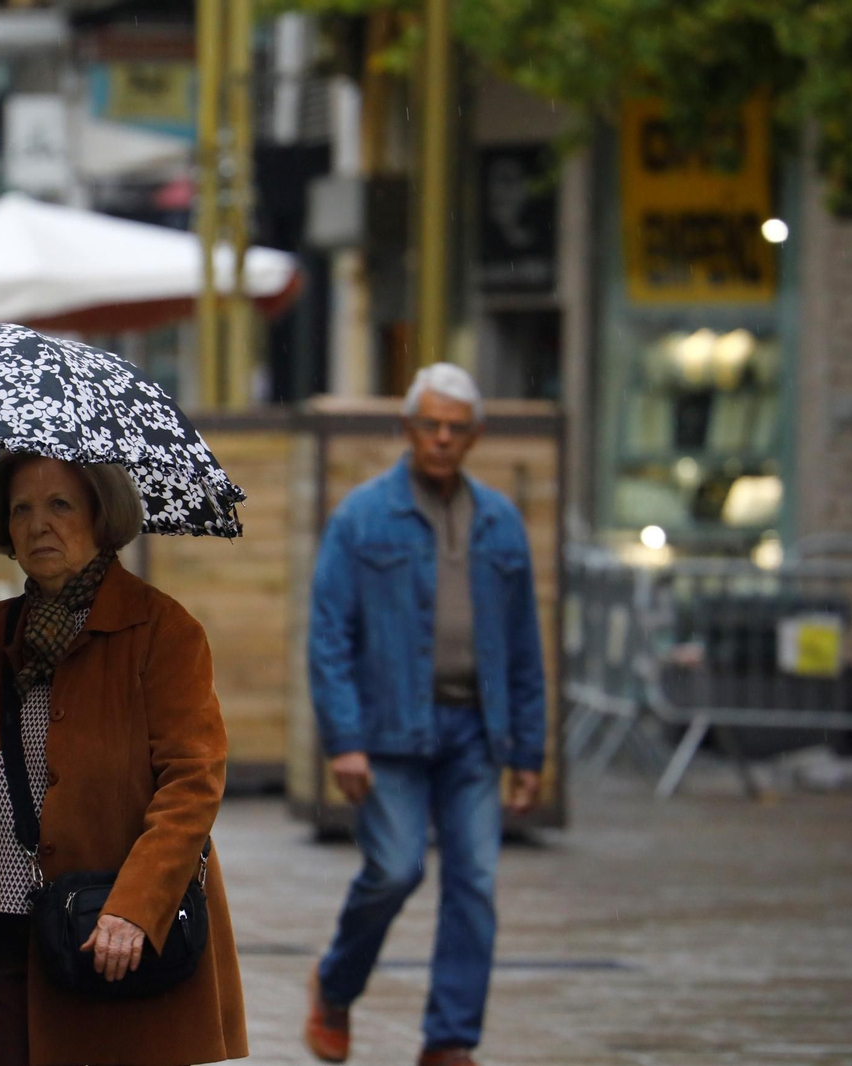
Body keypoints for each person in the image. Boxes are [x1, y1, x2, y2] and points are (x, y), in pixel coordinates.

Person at [0, 452, 248, 1066]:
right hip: (8, 934)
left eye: (59, 504)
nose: (39, 524)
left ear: (102, 512)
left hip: (113, 939)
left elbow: (193, 784)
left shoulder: (162, 631)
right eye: (21, 509)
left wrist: (136, 909)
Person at [303, 364, 546, 1066]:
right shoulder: (361, 516)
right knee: (395, 869)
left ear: (475, 436)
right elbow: (328, 635)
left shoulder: (501, 521)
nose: (442, 438)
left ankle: (448, 1042)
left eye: (456, 427)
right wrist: (344, 739)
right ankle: (336, 983)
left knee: (475, 881)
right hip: (389, 734)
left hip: (476, 731)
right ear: (408, 428)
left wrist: (529, 751)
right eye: (431, 424)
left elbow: (525, 646)